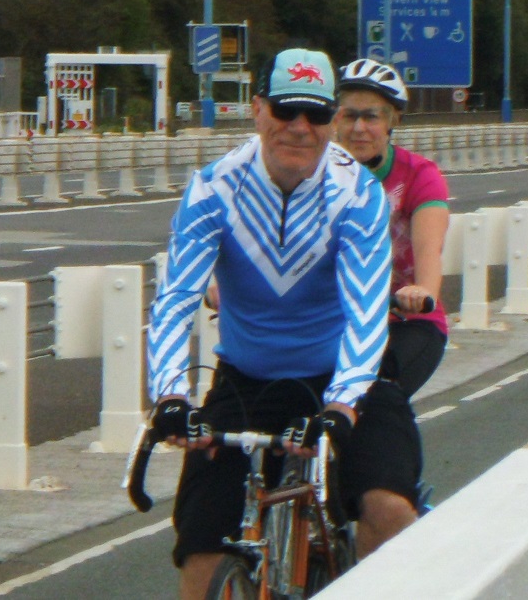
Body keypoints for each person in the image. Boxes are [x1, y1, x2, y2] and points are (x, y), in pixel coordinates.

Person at [145, 49, 421, 600]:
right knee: (201, 553)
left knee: (390, 511)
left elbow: (366, 308)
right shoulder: (212, 189)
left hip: (347, 378)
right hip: (248, 381)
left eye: (316, 115)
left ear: (330, 120)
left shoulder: (358, 194)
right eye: (285, 110)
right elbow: (175, 300)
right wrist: (170, 396)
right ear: (257, 109)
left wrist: (342, 405)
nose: (299, 128)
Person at [335, 59, 450, 397]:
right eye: (349, 115)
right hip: (336, 320)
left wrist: (422, 291)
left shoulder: (418, 176)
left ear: (391, 122)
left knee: (377, 396)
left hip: (405, 321)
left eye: (370, 116)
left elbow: (429, 254)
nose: (359, 128)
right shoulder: (318, 176)